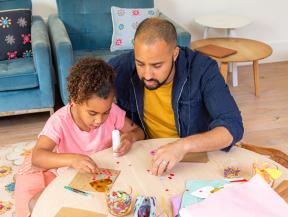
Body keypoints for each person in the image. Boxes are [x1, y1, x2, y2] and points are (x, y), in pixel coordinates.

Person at [108, 17, 244, 177]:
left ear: (175, 54)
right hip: (144, 155)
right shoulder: (120, 67)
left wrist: (182, 146)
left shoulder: (203, 70)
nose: (147, 74)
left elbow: (233, 127)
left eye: (157, 65)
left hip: (192, 158)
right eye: (140, 64)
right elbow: (82, 98)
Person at [14, 57, 144, 217]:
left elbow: (138, 131)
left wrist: (129, 138)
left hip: (100, 174)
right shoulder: (59, 121)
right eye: (92, 113)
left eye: (106, 112)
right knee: (36, 204)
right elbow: (38, 156)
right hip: (68, 176)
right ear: (74, 101)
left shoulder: (114, 113)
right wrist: (72, 159)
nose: (99, 120)